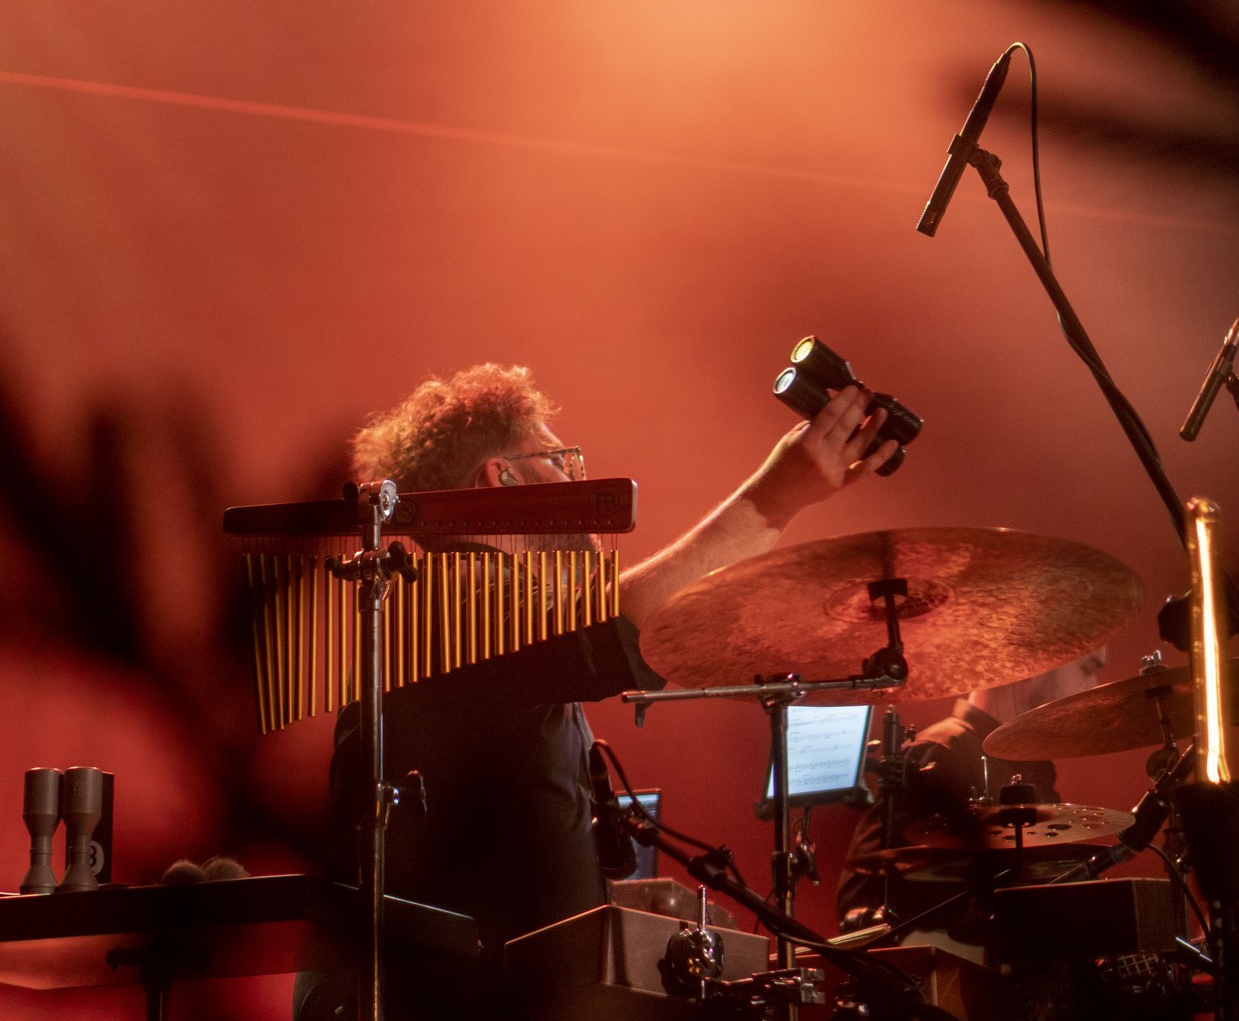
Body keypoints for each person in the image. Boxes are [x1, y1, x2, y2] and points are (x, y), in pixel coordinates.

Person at [295, 363, 896, 1020]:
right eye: (562, 460)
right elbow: (624, 629)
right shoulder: (449, 598)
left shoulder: (493, 628)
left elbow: (489, 864)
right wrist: (777, 495)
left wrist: (619, 909)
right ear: (505, 477)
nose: (581, 480)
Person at [834, 649, 1107, 958]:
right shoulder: (941, 755)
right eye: (1087, 669)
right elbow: (860, 905)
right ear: (1033, 665)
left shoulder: (1032, 771)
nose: (1093, 685)